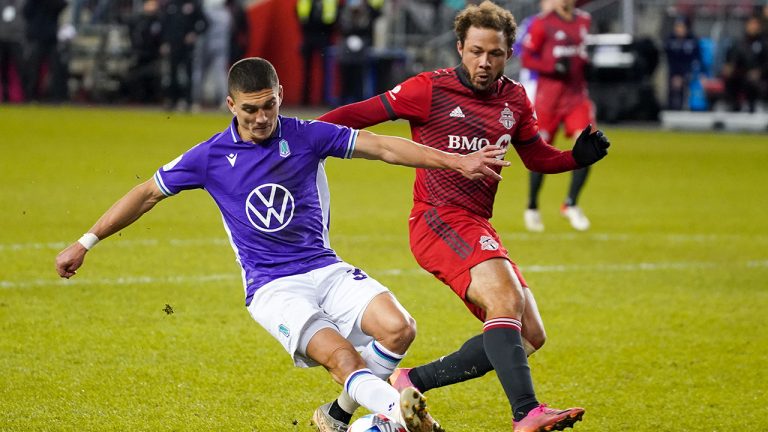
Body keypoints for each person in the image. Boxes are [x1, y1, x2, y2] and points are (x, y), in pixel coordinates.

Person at [54, 57, 509, 432]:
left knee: (399, 327)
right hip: (273, 288)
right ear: (230, 104)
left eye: (268, 106)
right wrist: (86, 241)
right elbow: (147, 193)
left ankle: (344, 417)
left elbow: (384, 147)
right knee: (341, 357)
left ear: (280, 97)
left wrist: (455, 161)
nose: (260, 118)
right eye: (249, 109)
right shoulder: (210, 156)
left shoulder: (305, 135)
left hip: (325, 268)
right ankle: (393, 419)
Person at [318, 2, 609, 431]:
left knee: (529, 334)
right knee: (505, 301)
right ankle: (526, 412)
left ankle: (407, 381)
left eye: (494, 54)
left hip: (475, 222)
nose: (484, 62)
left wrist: (573, 158)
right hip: (437, 218)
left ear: (508, 53)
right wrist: (303, 137)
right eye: (475, 51)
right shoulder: (428, 89)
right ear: (460, 48)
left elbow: (536, 156)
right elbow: (358, 115)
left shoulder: (514, 98)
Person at [520, 0, 596, 232]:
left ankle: (571, 203)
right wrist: (550, 66)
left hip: (575, 96)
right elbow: (526, 57)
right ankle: (532, 206)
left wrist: (587, 62)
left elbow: (582, 53)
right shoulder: (543, 24)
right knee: (541, 154)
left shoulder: (584, 20)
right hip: (549, 99)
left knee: (588, 145)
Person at [663, 16, 702, 110]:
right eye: (677, 27)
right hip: (674, 72)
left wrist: (685, 75)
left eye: (681, 27)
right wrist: (676, 75)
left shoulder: (692, 40)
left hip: (689, 72)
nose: (679, 29)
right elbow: (670, 60)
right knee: (673, 89)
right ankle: (672, 109)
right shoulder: (670, 40)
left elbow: (696, 59)